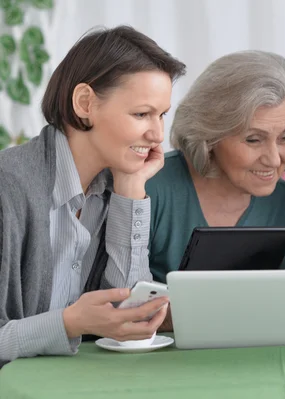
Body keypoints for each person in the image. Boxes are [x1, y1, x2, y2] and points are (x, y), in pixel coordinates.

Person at [0, 26, 186, 366]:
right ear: (85, 103)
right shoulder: (8, 187)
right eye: (141, 114)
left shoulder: (113, 184)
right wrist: (70, 323)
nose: (157, 134)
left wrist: (130, 189)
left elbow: (129, 317)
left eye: (161, 115)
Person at [147, 50, 285, 284]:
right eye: (254, 140)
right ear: (210, 136)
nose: (275, 160)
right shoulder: (151, 188)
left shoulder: (283, 200)